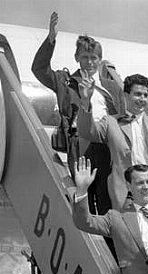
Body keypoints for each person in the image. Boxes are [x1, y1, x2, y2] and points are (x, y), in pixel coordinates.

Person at [32, 11, 124, 214]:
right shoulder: (66, 82)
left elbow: (122, 118)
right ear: (77, 58)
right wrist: (51, 39)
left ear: (100, 60)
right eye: (85, 57)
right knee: (83, 198)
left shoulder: (111, 87)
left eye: (94, 58)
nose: (89, 62)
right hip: (79, 144)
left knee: (107, 199)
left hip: (105, 145)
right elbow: (39, 69)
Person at [77, 71, 148, 211]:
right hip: (125, 192)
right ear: (125, 96)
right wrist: (85, 102)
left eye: (145, 95)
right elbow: (87, 132)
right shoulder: (111, 122)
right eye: (137, 94)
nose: (142, 99)